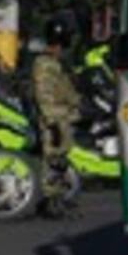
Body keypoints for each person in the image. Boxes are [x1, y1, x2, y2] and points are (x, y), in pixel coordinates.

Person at [31, 17, 81, 209]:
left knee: (59, 159)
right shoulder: (45, 64)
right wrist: (53, 121)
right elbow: (44, 95)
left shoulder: (54, 62)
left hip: (61, 116)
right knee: (53, 160)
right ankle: (52, 202)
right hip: (55, 118)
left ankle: (57, 199)